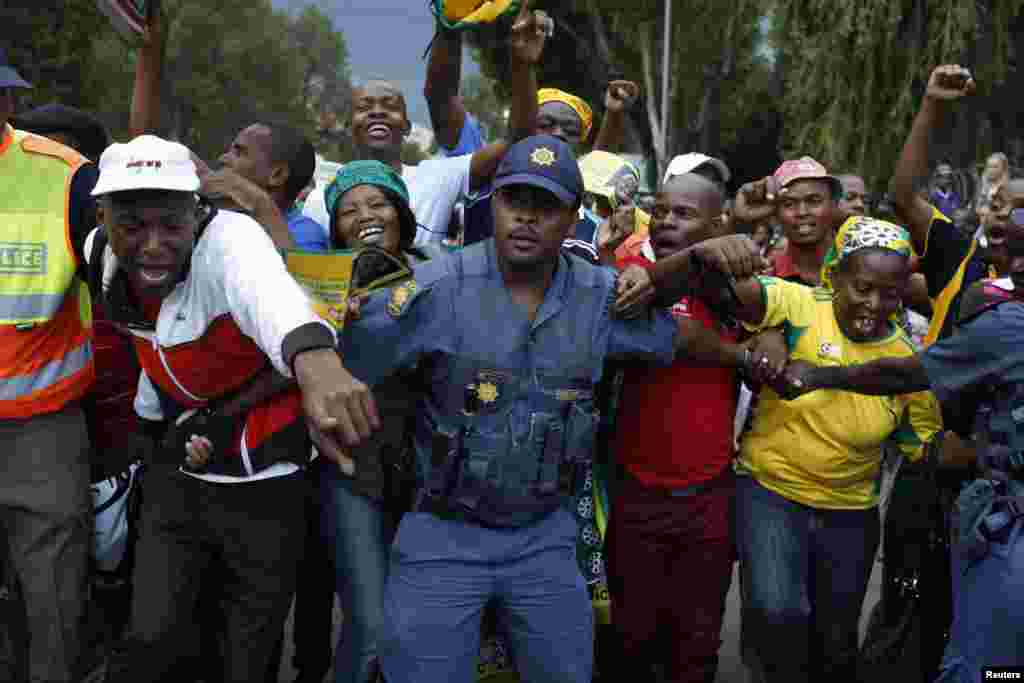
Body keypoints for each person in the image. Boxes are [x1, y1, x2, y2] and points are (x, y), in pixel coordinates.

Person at [324, 135, 762, 683]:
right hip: (442, 532)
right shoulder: (433, 289)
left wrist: (745, 353)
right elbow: (341, 363)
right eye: (515, 200)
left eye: (546, 205)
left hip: (545, 537)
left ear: (573, 218)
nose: (526, 217)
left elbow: (678, 335)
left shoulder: (601, 297)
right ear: (493, 204)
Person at [91, 135, 374, 683]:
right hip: (176, 469)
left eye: (171, 226)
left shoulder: (232, 240)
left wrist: (316, 360)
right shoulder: (99, 254)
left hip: (264, 484)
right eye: (132, 227)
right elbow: (154, 344)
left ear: (197, 213)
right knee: (153, 637)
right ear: (103, 219)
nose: (153, 245)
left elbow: (272, 297)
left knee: (248, 648)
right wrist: (159, 430)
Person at [777, 208, 1024, 681]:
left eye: (888, 292)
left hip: (1005, 530)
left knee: (985, 665)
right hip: (790, 491)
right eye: (1012, 250)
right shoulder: (796, 305)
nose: (1016, 266)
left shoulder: (1005, 325)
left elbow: (904, 377)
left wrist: (821, 376)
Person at [709, 216, 941, 683]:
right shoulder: (798, 305)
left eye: (890, 294)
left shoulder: (905, 363)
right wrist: (729, 238)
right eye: (862, 288)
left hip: (850, 514)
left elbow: (923, 445)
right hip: (771, 493)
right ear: (835, 276)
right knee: (777, 611)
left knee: (834, 642)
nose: (874, 304)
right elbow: (725, 289)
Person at [605, 171, 767, 683]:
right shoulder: (630, 273)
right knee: (630, 638)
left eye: (684, 214)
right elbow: (659, 308)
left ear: (717, 225)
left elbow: (770, 335)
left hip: (709, 496)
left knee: (696, 643)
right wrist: (706, 249)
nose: (666, 222)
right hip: (635, 492)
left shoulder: (741, 289)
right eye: (660, 210)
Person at [0, 47, 101, 683]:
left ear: (7, 102)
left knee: (52, 605)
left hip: (41, 431)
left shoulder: (66, 178)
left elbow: (132, 285)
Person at [303, 0, 548, 247]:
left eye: (389, 106)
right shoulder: (319, 199)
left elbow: (517, 142)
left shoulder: (438, 177)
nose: (377, 112)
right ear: (348, 126)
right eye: (365, 107)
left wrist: (522, 65)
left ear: (407, 127)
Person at [318, 160, 426, 683]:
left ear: (401, 212)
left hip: (428, 474)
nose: (365, 215)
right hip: (352, 470)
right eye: (348, 210)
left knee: (421, 626)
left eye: (378, 203)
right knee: (370, 626)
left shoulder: (440, 271)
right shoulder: (320, 285)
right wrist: (332, 320)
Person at [213, 120, 326, 251]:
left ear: (277, 175)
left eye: (239, 153)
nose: (223, 158)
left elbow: (292, 265)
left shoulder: (305, 235)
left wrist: (260, 203)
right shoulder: (218, 216)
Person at [733, 156, 842, 287]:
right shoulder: (766, 280)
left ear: (833, 205)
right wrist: (737, 220)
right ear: (775, 214)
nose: (802, 212)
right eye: (789, 204)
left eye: (814, 201)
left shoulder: (858, 263)